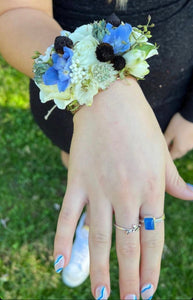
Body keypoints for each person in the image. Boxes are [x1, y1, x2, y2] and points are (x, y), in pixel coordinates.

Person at [0, 0, 193, 299]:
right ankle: (92, 217)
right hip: (71, 98)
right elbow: (15, 11)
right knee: (81, 163)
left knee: (151, 163)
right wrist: (104, 91)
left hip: (172, 99)